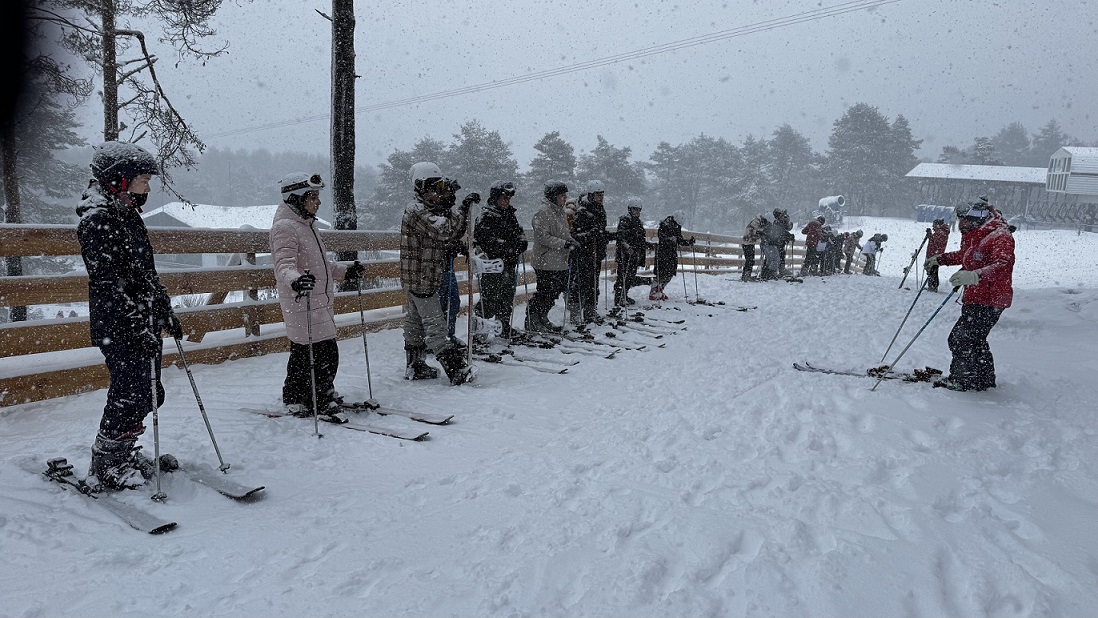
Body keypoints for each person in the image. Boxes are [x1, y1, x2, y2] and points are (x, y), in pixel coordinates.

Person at [76, 141, 182, 490]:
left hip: (144, 320)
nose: (148, 188)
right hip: (118, 324)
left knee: (152, 391)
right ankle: (106, 461)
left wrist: (163, 308)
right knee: (130, 390)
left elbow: (146, 273)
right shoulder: (97, 221)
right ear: (119, 180)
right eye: (143, 180)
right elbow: (108, 282)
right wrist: (135, 323)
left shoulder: (128, 215)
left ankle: (123, 451)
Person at [271, 173, 365, 416]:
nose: (318, 202)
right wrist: (296, 281)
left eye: (317, 196)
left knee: (309, 352)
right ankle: (316, 395)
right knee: (318, 352)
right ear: (295, 199)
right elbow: (284, 265)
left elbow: (323, 265)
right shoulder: (285, 228)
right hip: (301, 300)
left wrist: (345, 271)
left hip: (318, 301)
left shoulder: (307, 226)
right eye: (312, 196)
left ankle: (302, 394)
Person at [925, 198, 1015, 391]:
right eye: (959, 219)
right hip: (977, 296)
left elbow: (1003, 264)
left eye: (963, 219)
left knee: (960, 338)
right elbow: (965, 255)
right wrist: (940, 259)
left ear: (976, 217)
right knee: (975, 339)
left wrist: (975, 275)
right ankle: (983, 379)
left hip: (991, 298)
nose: (960, 224)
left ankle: (963, 379)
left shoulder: (1000, 235)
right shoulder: (975, 233)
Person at [400, 162, 477, 385]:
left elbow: (443, 237)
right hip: (422, 277)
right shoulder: (416, 210)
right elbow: (444, 230)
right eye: (432, 188)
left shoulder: (427, 210)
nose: (437, 194)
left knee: (415, 323)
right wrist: (460, 208)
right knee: (436, 326)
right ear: (420, 188)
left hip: (422, 275)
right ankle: (456, 370)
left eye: (440, 188)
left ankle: (415, 365)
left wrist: (451, 207)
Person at [473, 180, 528, 339]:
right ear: (495, 197)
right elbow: (487, 242)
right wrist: (510, 246)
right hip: (492, 266)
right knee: (489, 299)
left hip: (509, 265)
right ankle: (479, 333)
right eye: (504, 198)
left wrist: (516, 245)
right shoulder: (486, 216)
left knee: (506, 297)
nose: (506, 201)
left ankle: (503, 326)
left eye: (508, 198)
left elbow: (521, 237)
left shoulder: (510, 215)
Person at [526, 181, 576, 333]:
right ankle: (532, 320)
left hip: (559, 261)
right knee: (545, 292)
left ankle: (542, 317)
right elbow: (542, 237)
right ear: (553, 196)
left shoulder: (560, 211)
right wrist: (564, 243)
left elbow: (563, 233)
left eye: (565, 195)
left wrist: (571, 241)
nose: (564, 198)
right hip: (545, 261)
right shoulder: (543, 212)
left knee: (553, 292)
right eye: (562, 196)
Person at [568, 180, 611, 325]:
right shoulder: (583, 211)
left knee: (594, 284)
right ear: (591, 195)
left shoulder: (600, 210)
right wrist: (590, 235)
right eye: (598, 195)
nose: (601, 198)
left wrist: (606, 236)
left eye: (602, 195)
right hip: (584, 254)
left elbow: (600, 231)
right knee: (581, 284)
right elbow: (575, 235)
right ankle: (575, 313)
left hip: (596, 253)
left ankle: (590, 312)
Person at [651, 210, 694, 299]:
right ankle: (654, 291)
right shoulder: (665, 225)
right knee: (661, 273)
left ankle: (660, 289)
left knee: (670, 273)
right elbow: (662, 237)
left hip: (671, 253)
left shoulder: (676, 226)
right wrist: (671, 239)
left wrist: (688, 242)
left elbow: (679, 239)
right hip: (663, 253)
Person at [614, 200, 648, 306]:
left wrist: (647, 245)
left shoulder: (638, 222)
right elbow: (621, 237)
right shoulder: (625, 220)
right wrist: (627, 247)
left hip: (635, 254)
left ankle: (624, 295)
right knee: (623, 276)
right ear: (630, 209)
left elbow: (640, 238)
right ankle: (619, 297)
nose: (637, 212)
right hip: (625, 254)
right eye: (635, 209)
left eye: (638, 210)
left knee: (630, 276)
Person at [758, 213, 787, 280]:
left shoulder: (764, 225)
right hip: (770, 245)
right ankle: (771, 273)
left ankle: (765, 273)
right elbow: (775, 235)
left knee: (769, 259)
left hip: (765, 245)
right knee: (775, 259)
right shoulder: (770, 226)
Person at [925, 218, 950, 292]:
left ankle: (933, 286)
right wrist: (930, 236)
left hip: (934, 255)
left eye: (934, 225)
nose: (933, 227)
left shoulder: (940, 232)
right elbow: (935, 241)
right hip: (936, 254)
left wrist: (930, 235)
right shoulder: (942, 232)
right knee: (933, 270)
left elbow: (935, 243)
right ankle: (932, 286)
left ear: (937, 225)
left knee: (932, 271)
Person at [741, 213, 766, 281]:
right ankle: (746, 276)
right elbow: (753, 232)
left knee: (749, 260)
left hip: (748, 243)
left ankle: (746, 275)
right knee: (750, 260)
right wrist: (761, 234)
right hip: (748, 244)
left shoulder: (755, 222)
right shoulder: (756, 223)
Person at [773, 208, 794, 276]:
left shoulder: (777, 221)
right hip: (779, 242)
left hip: (780, 241)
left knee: (780, 255)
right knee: (780, 256)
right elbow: (782, 231)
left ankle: (780, 270)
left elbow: (785, 229)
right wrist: (789, 235)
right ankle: (779, 270)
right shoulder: (779, 222)